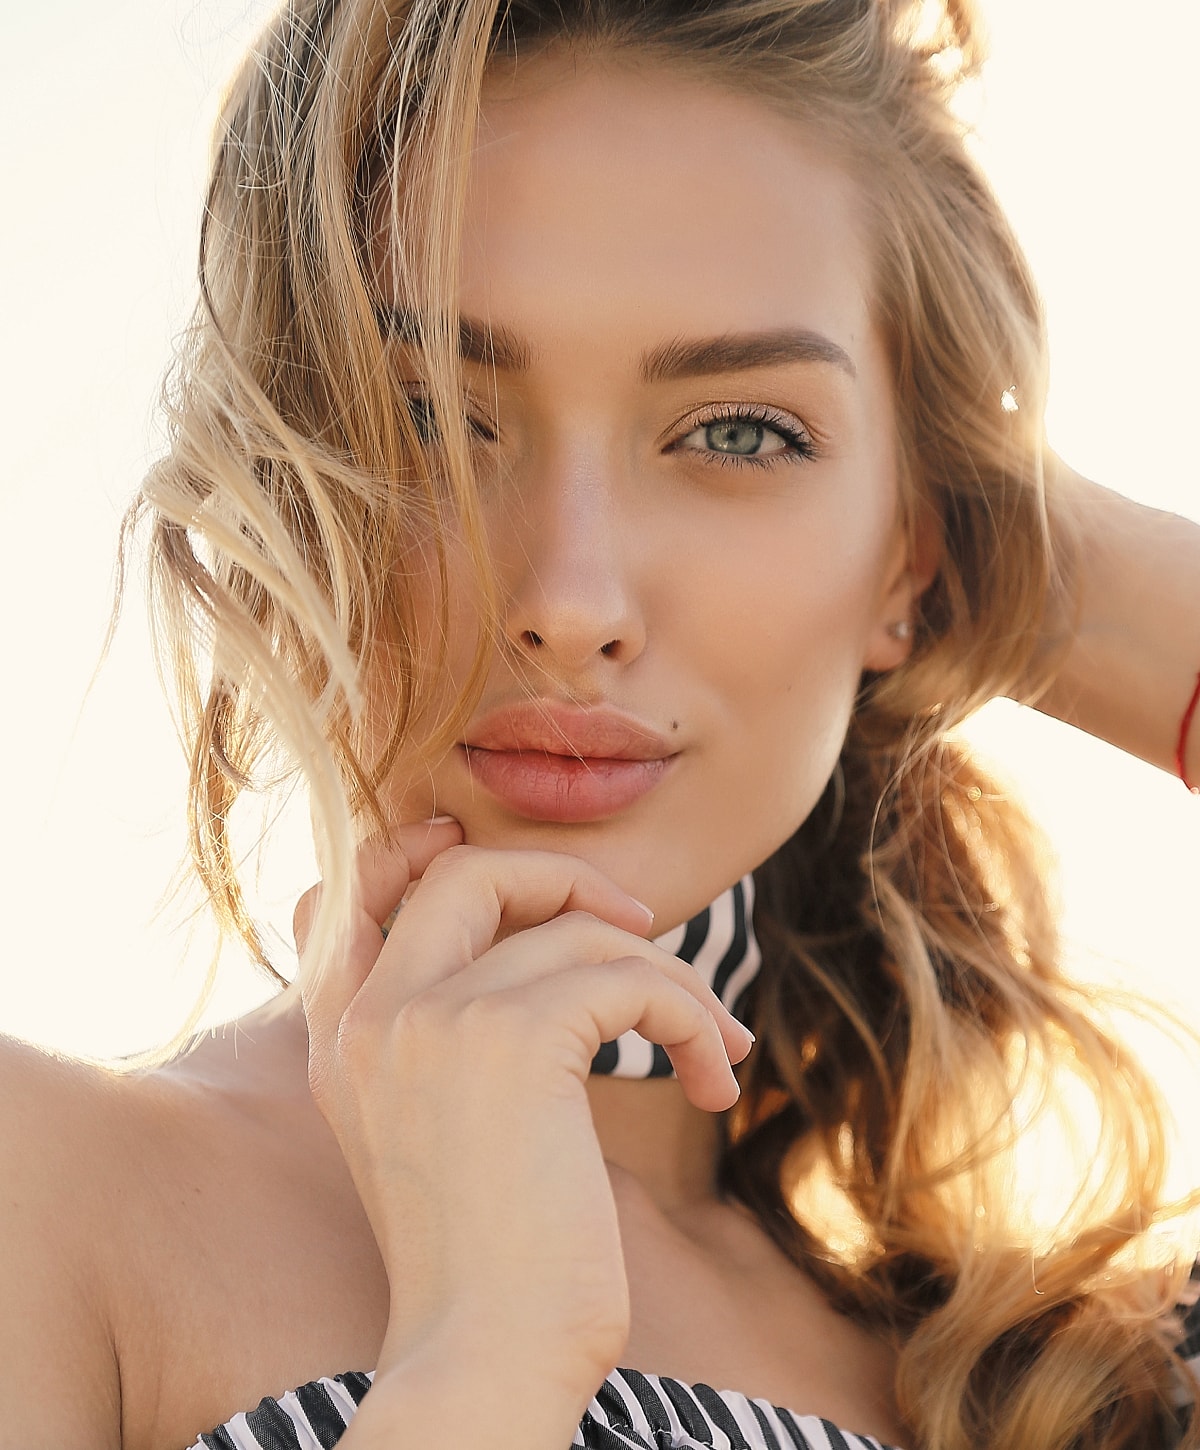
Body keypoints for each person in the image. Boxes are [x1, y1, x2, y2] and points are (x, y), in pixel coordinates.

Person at [2, 0, 1198, 1447]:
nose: (571, 601)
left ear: (908, 557)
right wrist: (483, 1358)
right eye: (431, 416)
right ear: (283, 486)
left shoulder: (1050, 1378)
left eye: (742, 431)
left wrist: (1004, 553)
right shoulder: (49, 1193)